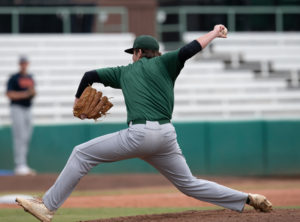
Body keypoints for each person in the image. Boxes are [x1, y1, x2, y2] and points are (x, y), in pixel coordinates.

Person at [16, 25, 272, 222]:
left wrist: (76, 102)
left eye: (133, 53)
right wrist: (215, 32)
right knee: (189, 184)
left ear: (138, 52)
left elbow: (89, 76)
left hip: (139, 134)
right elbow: (189, 49)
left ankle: (48, 206)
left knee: (81, 153)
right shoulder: (166, 63)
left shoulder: (125, 71)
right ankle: (247, 198)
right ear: (156, 53)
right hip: (166, 136)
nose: (132, 57)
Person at [6, 56, 36, 176]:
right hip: (17, 108)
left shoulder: (30, 77)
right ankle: (19, 164)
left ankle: (23, 164)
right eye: (22, 63)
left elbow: (32, 92)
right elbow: (10, 94)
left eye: (25, 63)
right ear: (20, 64)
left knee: (26, 136)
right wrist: (25, 94)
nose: (24, 65)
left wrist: (31, 93)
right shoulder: (14, 78)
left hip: (28, 109)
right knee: (19, 136)